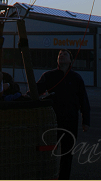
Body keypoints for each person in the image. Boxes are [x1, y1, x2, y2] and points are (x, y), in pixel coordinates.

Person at [36, 49, 90, 179]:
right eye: (59, 55)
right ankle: (46, 176)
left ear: (70, 60)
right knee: (48, 151)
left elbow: (83, 100)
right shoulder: (49, 76)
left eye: (65, 54)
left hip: (70, 120)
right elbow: (35, 90)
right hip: (52, 120)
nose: (61, 56)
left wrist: (86, 121)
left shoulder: (76, 78)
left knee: (67, 154)